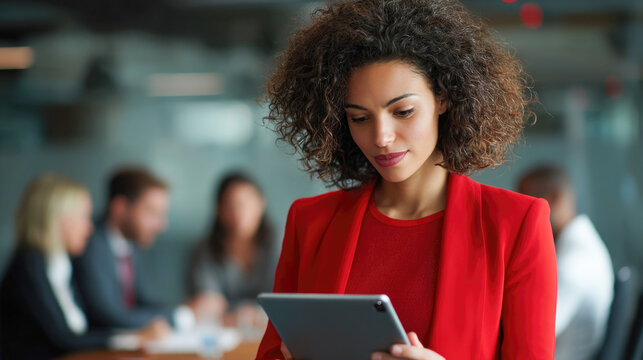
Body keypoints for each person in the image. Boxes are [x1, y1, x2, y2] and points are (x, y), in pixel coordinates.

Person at [256, 0, 557, 359]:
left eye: (403, 112)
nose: (381, 137)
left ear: (443, 98)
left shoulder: (515, 225)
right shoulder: (310, 222)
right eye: (360, 118)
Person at [0, 174, 168, 360]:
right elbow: (64, 340)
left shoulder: (59, 264)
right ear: (58, 220)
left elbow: (81, 331)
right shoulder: (30, 268)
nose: (89, 228)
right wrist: (130, 339)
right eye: (82, 217)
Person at [73, 166, 223, 332]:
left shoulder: (129, 245)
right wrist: (181, 317)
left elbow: (144, 301)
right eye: (152, 213)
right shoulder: (90, 244)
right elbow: (108, 316)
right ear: (120, 208)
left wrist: (183, 310)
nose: (162, 225)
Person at [518, 165, 614, 360]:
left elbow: (532, 333)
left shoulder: (575, 260)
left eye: (527, 204)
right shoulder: (578, 245)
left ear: (554, 197)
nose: (521, 217)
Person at [190, 172, 278, 327]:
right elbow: (208, 304)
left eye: (245, 204)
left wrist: (250, 314)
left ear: (261, 203)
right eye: (230, 205)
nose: (239, 213)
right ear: (219, 210)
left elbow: (283, 300)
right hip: (222, 335)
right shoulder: (206, 249)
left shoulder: (280, 243)